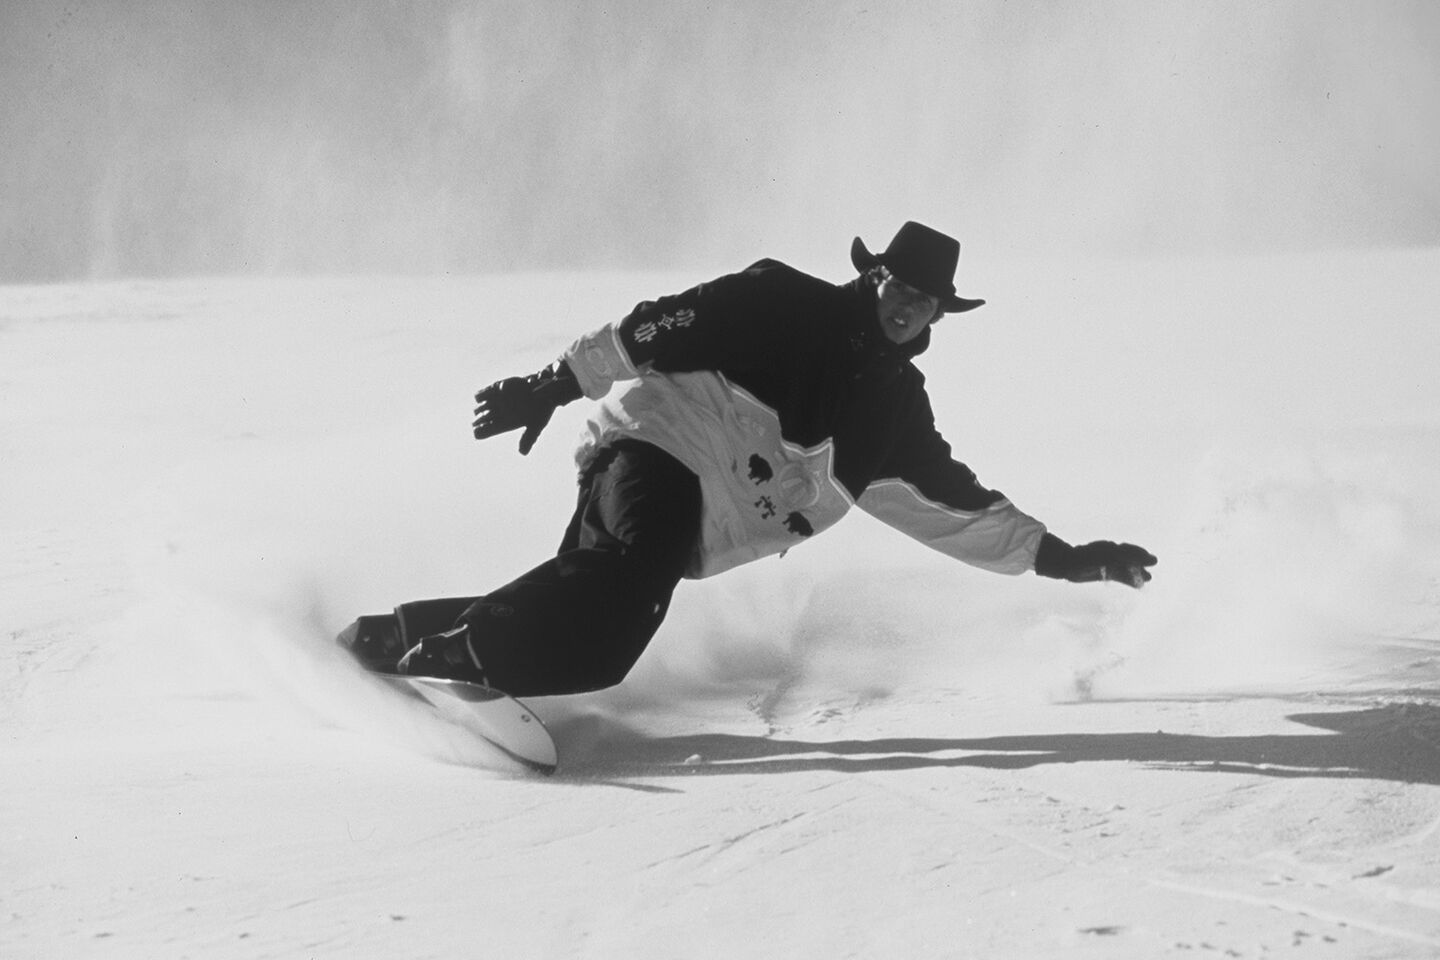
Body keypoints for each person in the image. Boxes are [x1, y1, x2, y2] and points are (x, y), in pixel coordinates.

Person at [344, 221, 1157, 697]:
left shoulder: (893, 413)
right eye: (899, 285)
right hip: (657, 449)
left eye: (927, 300)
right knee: (627, 587)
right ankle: (464, 652)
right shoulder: (781, 302)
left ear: (940, 312)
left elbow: (953, 506)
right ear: (872, 276)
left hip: (696, 520)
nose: (908, 306)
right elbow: (655, 327)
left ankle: (397, 636)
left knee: (599, 627)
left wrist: (1064, 558)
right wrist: (552, 384)